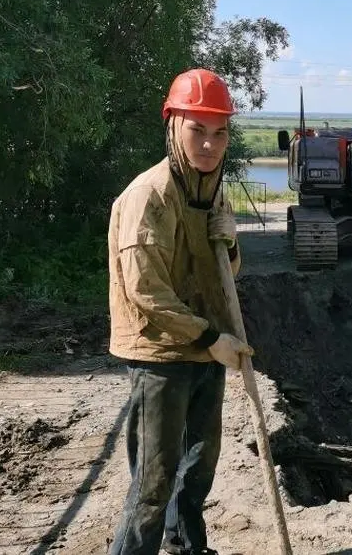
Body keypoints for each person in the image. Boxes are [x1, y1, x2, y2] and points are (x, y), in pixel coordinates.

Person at [107, 68, 254, 555]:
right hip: (161, 355)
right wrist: (212, 338)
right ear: (173, 125)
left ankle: (185, 545)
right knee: (153, 483)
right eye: (198, 130)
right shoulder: (149, 196)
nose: (210, 144)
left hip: (205, 350)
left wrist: (229, 243)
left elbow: (225, 275)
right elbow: (145, 290)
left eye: (220, 132)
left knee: (198, 469)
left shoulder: (211, 192)